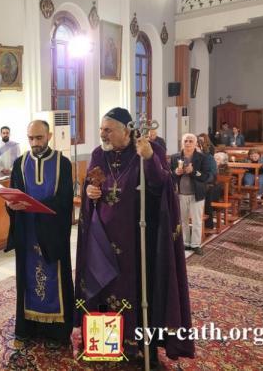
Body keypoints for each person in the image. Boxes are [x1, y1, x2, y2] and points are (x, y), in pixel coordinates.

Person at [75, 107, 194, 365]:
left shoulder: (148, 150)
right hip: (102, 240)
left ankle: (140, 345)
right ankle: (105, 342)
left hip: (138, 240)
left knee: (141, 291)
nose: (102, 134)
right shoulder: (98, 154)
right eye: (101, 129)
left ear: (126, 131)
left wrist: (149, 158)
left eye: (108, 130)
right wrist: (89, 193)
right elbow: (90, 184)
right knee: (103, 289)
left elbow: (161, 186)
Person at [5, 120, 74, 348]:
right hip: (27, 233)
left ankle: (56, 333)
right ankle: (28, 328)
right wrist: (11, 205)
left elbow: (65, 200)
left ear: (49, 136)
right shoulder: (20, 163)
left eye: (39, 138)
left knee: (54, 278)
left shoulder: (63, 163)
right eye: (31, 138)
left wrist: (40, 207)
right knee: (27, 279)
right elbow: (14, 193)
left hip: (52, 234)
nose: (34, 143)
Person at [170, 133, 212, 255]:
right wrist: (175, 172)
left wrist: (193, 172)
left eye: (190, 141)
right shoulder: (175, 157)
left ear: (195, 144)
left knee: (197, 221)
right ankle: (185, 242)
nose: (188, 143)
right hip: (181, 194)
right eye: (185, 141)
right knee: (183, 220)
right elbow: (170, 175)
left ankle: (195, 245)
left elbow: (207, 176)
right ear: (182, 143)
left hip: (196, 194)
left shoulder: (203, 157)